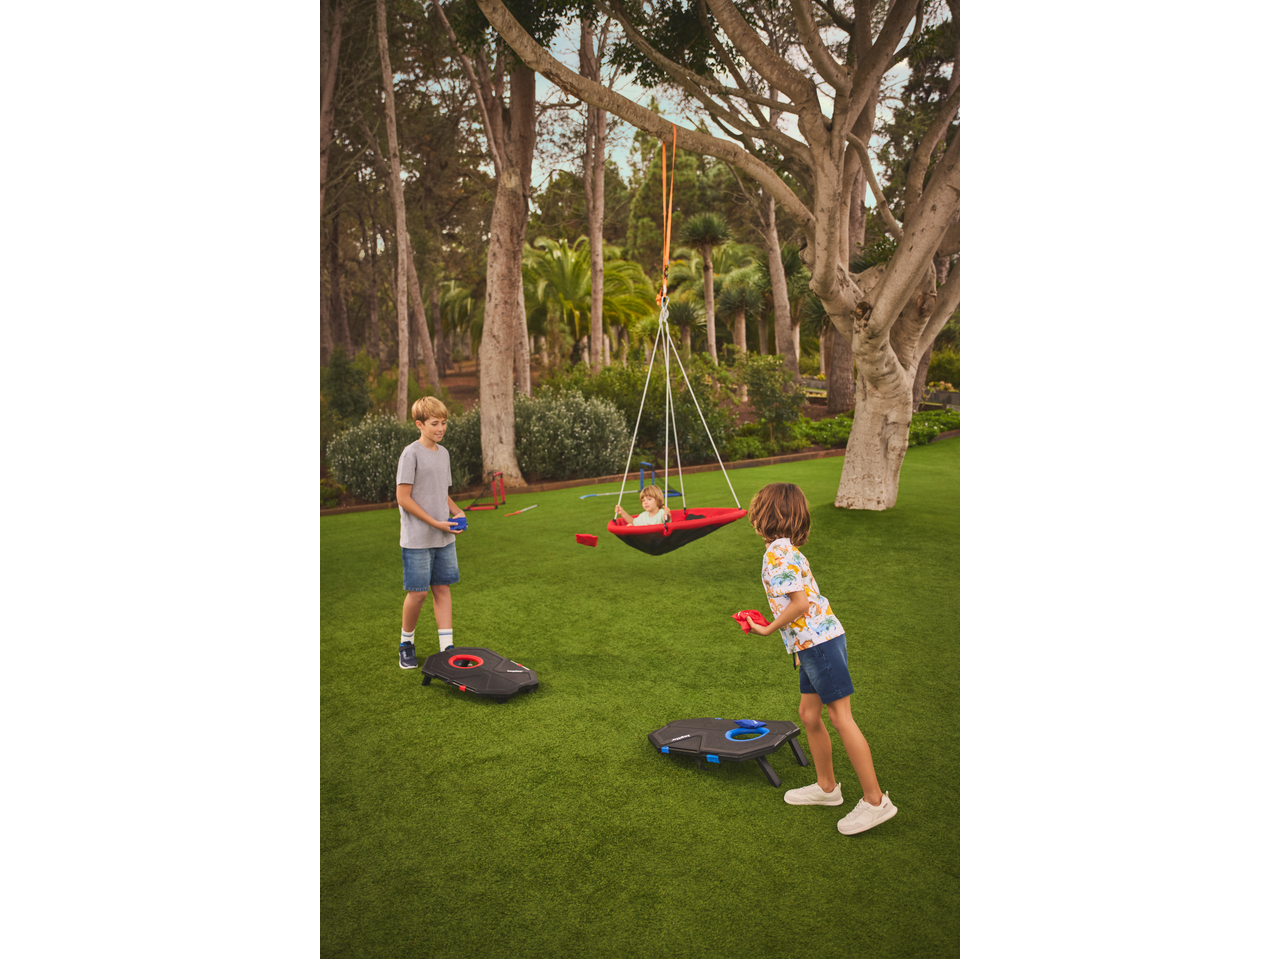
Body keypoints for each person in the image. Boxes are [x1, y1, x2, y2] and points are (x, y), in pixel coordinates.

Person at [740, 482, 897, 836]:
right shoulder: (785, 550)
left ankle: (875, 801)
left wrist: (766, 630)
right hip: (811, 642)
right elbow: (798, 603)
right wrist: (788, 638)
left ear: (765, 515)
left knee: (841, 718)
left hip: (819, 642)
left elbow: (800, 604)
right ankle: (827, 788)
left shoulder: (777, 554)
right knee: (808, 714)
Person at [395, 396, 466, 670]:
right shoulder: (410, 454)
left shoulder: (444, 453)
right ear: (419, 424)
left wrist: (456, 512)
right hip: (417, 538)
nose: (441, 428)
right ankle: (406, 643)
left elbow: (442, 494)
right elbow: (403, 497)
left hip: (444, 536)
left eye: (444, 422)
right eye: (434, 423)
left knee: (442, 588)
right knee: (418, 593)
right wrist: (435, 523)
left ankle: (446, 648)